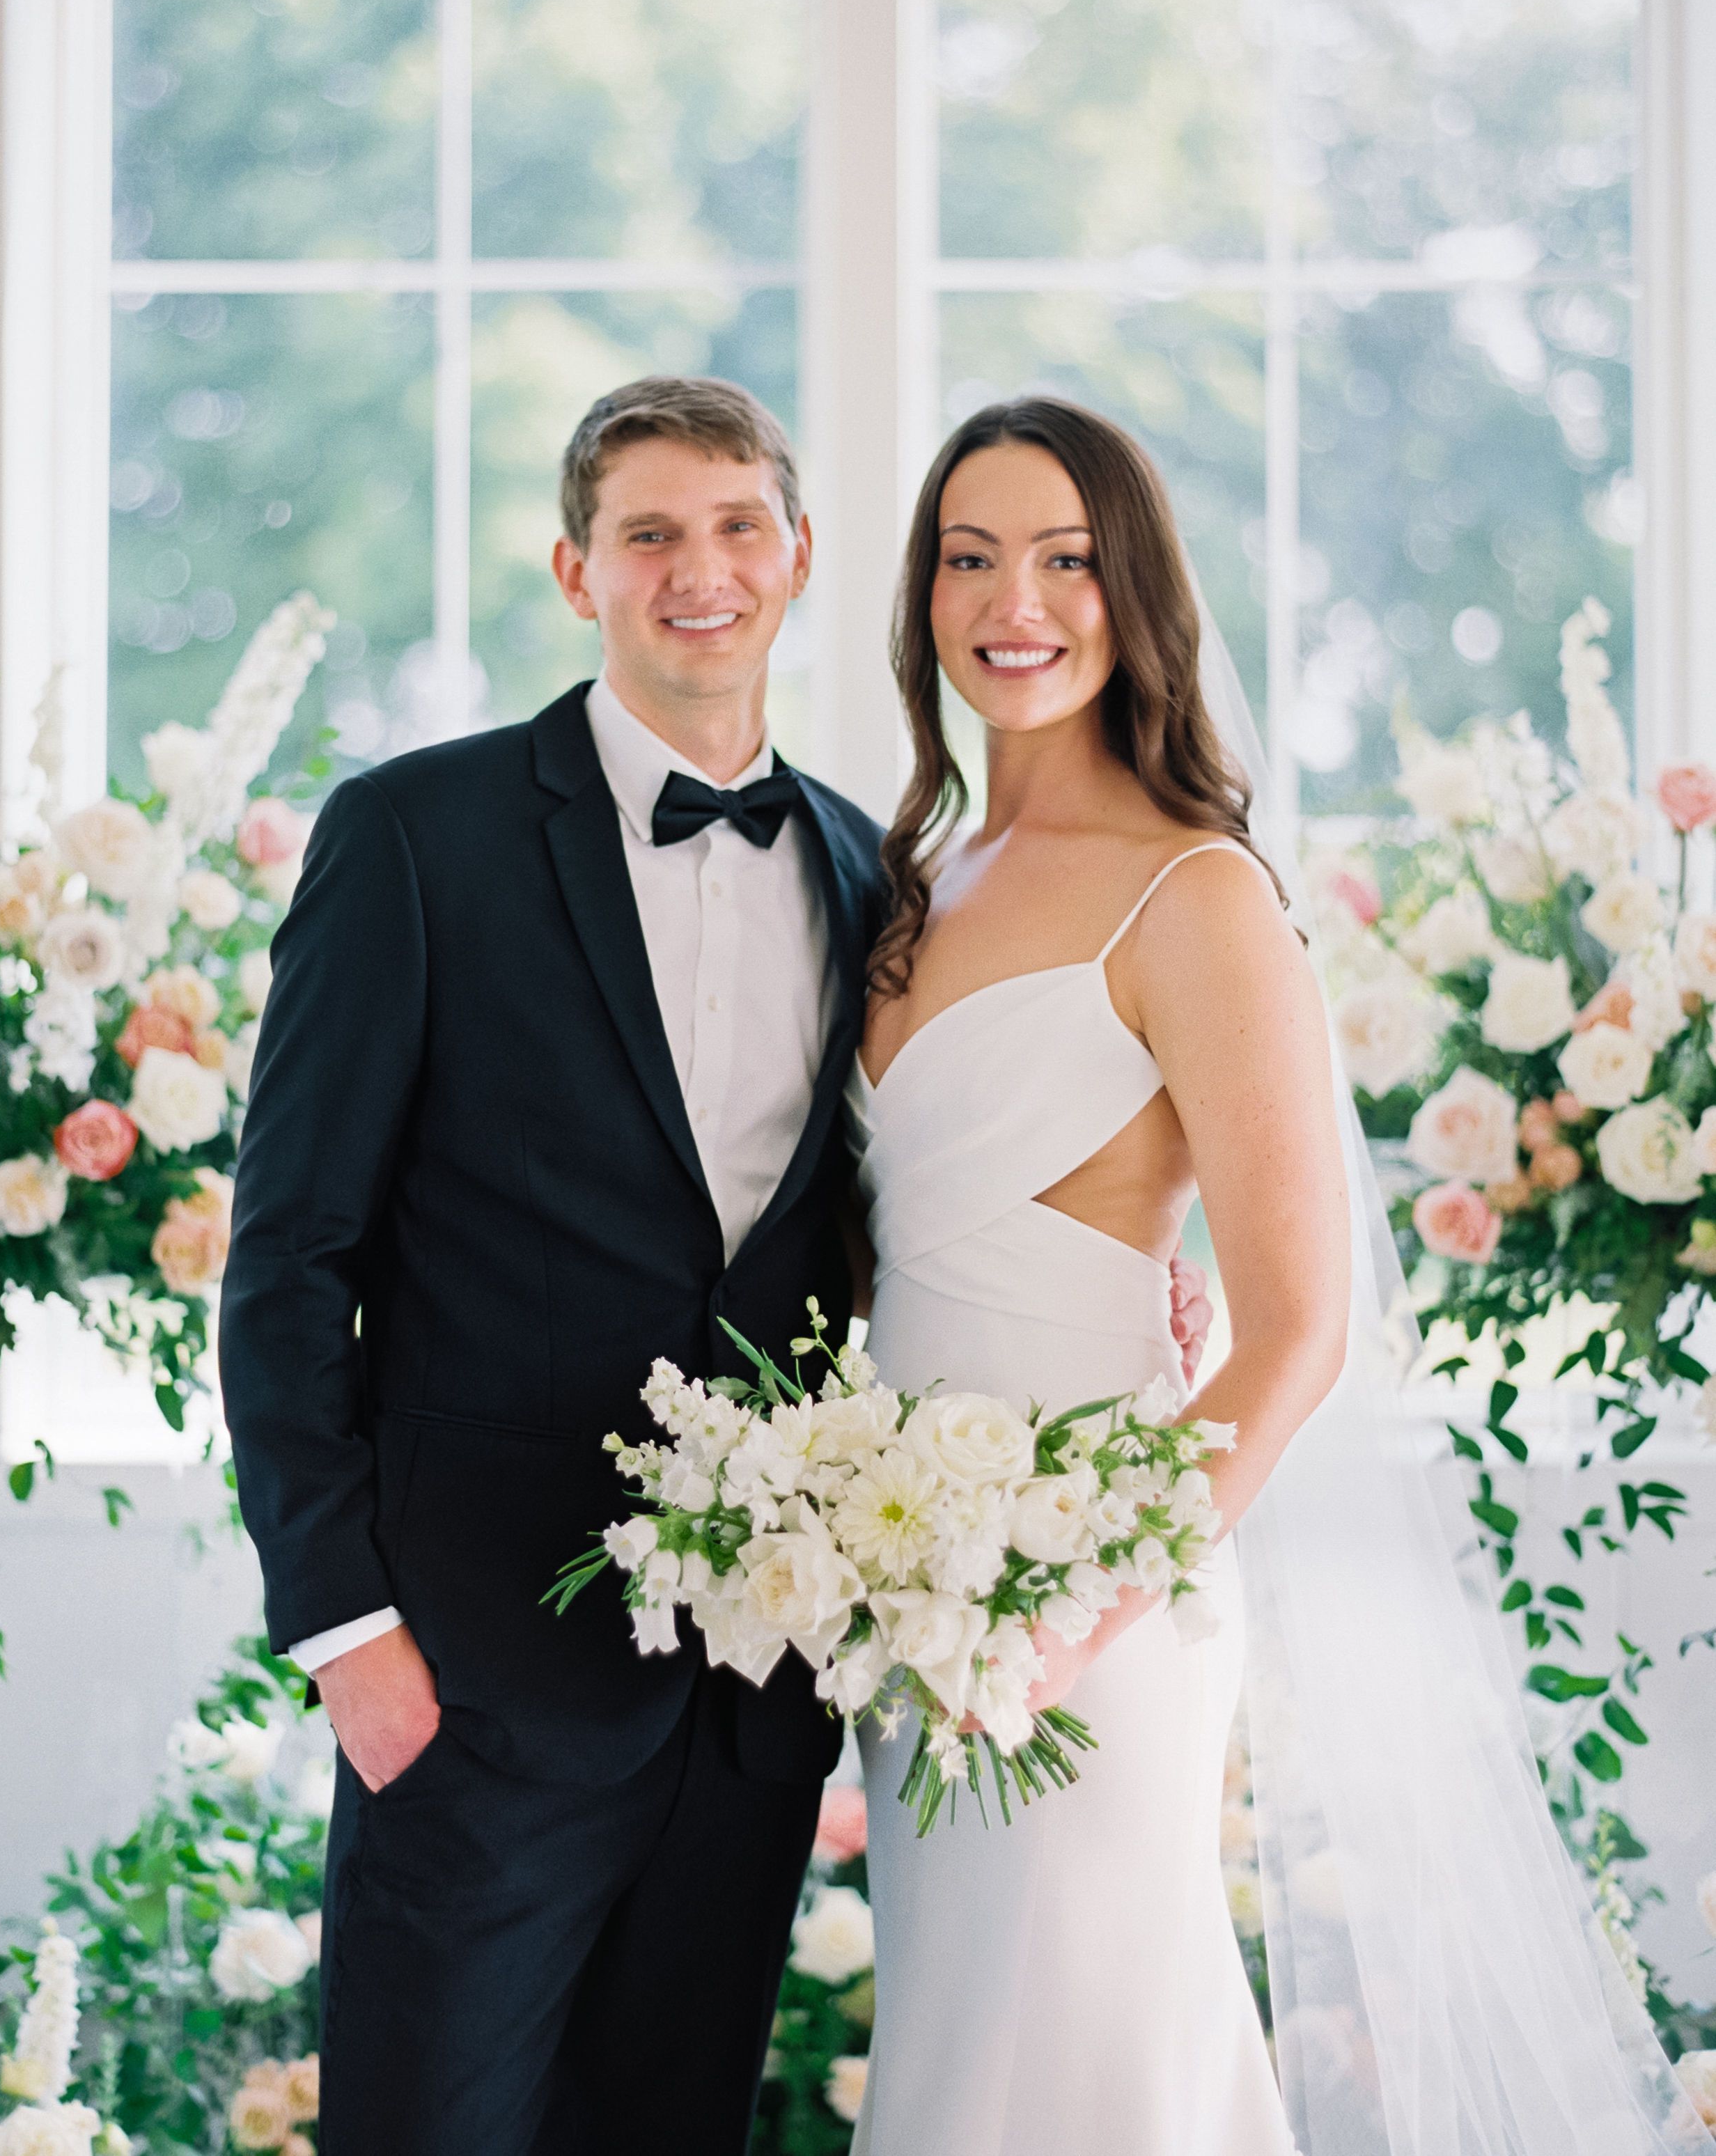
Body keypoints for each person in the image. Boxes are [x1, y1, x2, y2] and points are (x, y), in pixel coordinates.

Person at [846, 398, 1710, 2156]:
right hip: (902, 1605)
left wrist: (1058, 1621)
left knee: (1089, 2059)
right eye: (969, 556)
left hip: (1085, 1611)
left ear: (1135, 591)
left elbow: (1299, 1328)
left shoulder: (1194, 895)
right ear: (922, 597)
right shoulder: (908, 885)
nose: (1016, 600)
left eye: (1068, 558)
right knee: (959, 2067)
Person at [219, 375, 887, 2155]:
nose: (700, 570)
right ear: (572, 569)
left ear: (799, 556)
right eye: (648, 533)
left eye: (738, 526)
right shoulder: (415, 838)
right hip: (469, 1677)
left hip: (749, 1697)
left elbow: (893, 1223)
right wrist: (350, 1635)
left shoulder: (869, 869)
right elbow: (288, 1253)